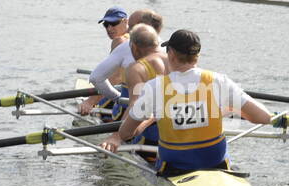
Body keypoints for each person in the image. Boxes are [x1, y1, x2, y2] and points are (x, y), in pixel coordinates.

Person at [101, 29, 273, 177]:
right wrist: (228, 109)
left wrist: (117, 136)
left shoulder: (155, 86)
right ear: (197, 55)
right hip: (215, 163)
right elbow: (264, 118)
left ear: (172, 55)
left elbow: (128, 131)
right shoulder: (219, 80)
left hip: (174, 167)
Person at [80, 9, 164, 117]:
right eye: (106, 24)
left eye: (114, 23)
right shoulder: (166, 48)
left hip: (129, 105)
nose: (109, 28)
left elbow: (111, 77)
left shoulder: (122, 43)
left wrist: (91, 101)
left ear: (126, 22)